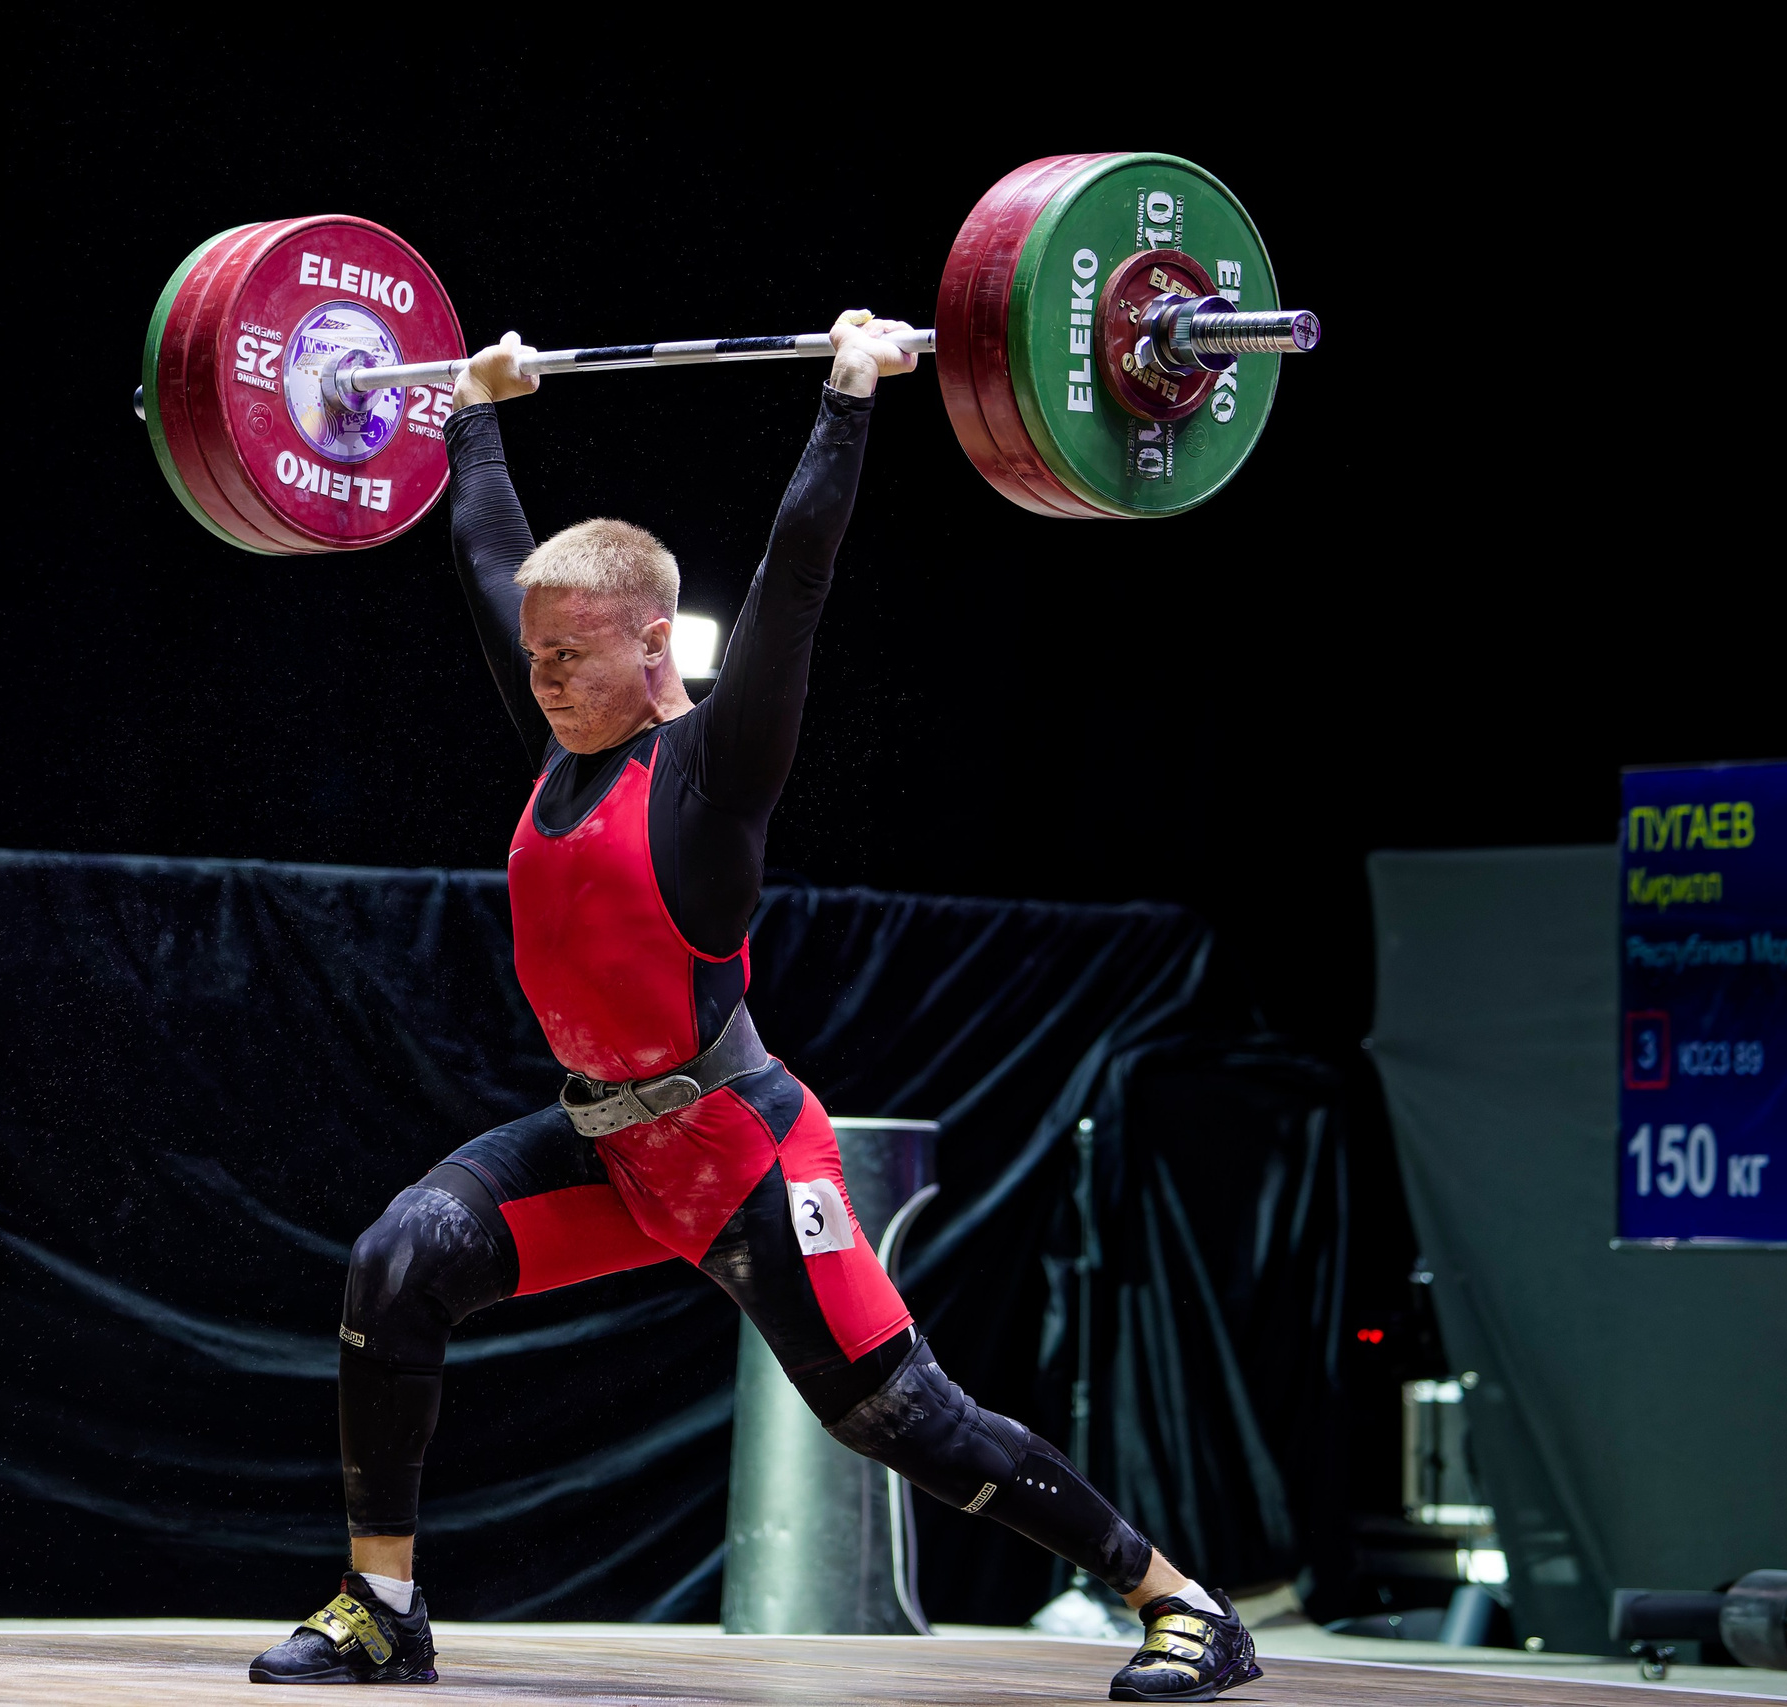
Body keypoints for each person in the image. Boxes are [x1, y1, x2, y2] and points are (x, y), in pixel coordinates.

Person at [248, 315, 1262, 1703]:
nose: (536, 681)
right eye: (533, 658)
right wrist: (470, 412)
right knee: (400, 1259)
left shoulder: (710, 775)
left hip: (740, 1158)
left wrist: (849, 395)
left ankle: (1180, 1601)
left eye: (566, 660)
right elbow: (491, 556)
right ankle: (383, 1607)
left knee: (900, 1416)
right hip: (608, 1151)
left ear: (654, 644)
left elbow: (794, 586)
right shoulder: (562, 735)